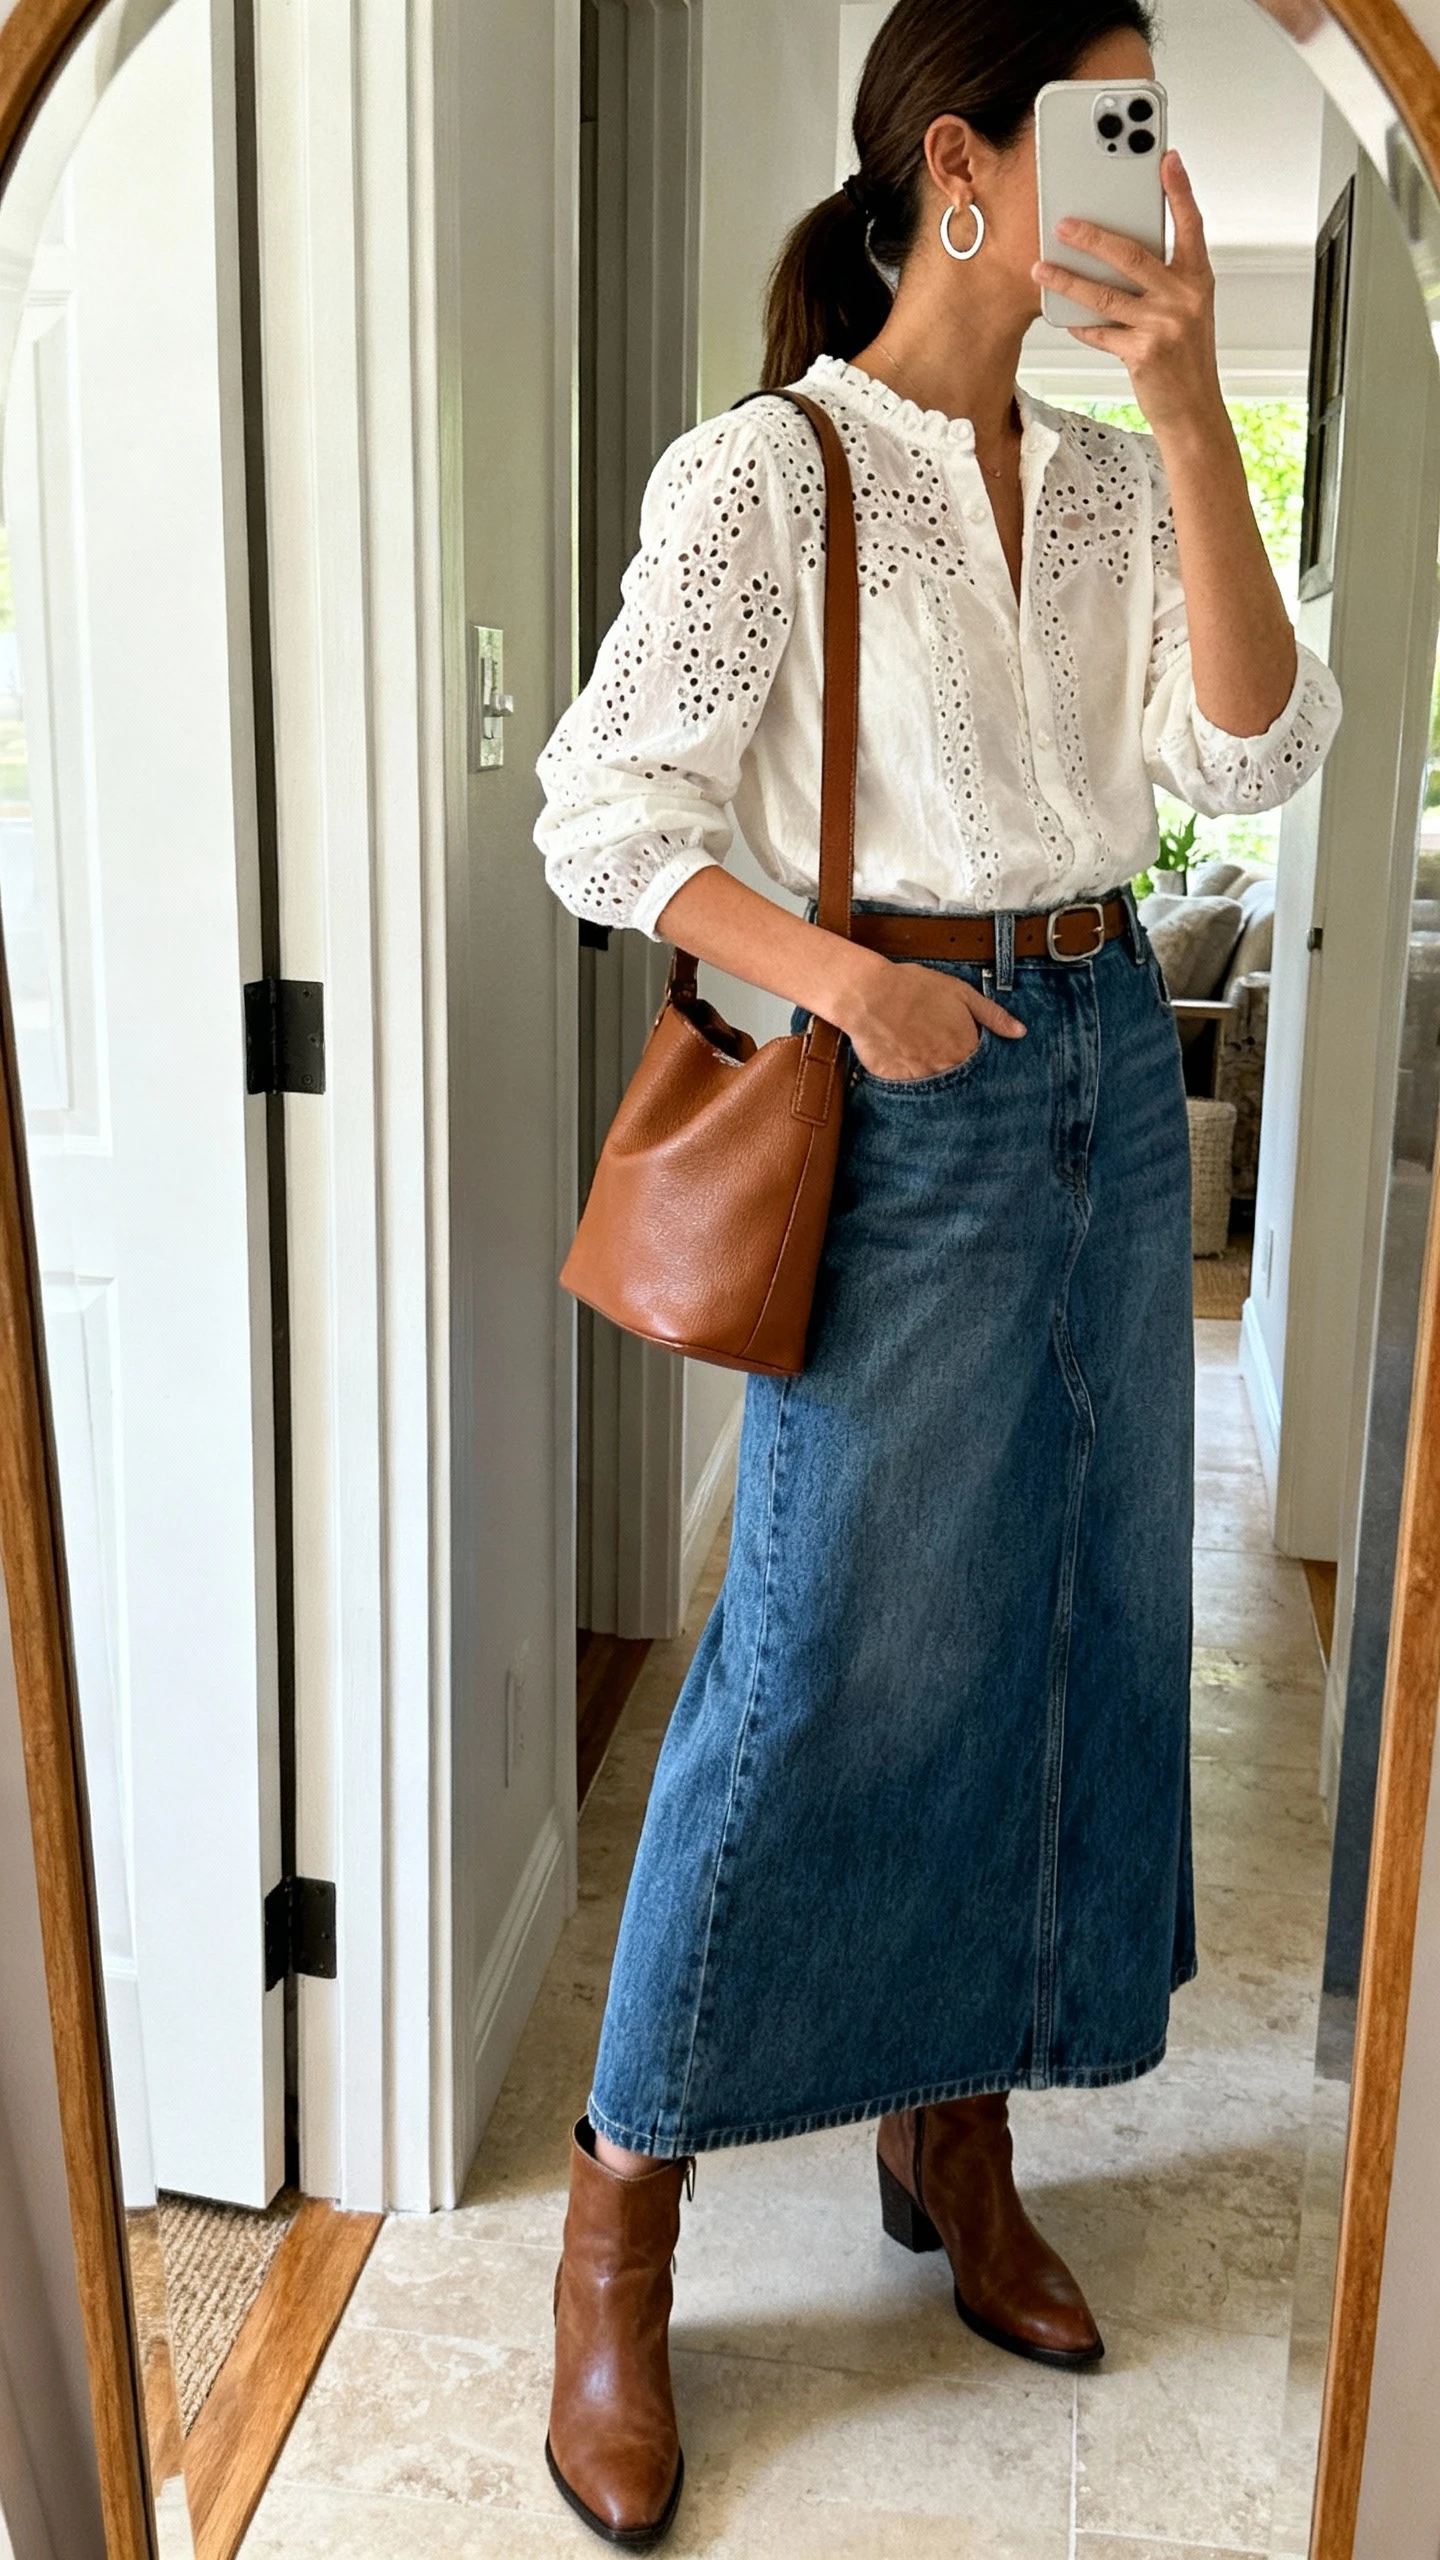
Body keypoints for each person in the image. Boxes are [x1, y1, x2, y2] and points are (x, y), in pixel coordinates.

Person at [534, 0, 1341, 2543]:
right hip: (899, 1080)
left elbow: (1250, 754)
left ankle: (953, 2131)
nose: (1157, 159)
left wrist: (1204, 409)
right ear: (964, 163)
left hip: (1113, 1072)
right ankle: (623, 2210)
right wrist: (852, 978)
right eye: (1114, 114)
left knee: (1073, 1625)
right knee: (821, 1655)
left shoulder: (1109, 485)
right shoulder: (768, 474)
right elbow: (602, 812)